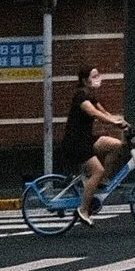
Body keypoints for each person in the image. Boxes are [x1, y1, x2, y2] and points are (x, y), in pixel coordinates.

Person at [58, 61, 110, 213]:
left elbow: (104, 113)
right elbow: (95, 113)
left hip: (86, 140)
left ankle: (102, 182)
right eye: (93, 76)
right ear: (84, 80)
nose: (97, 78)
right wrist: (113, 121)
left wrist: (121, 122)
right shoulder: (81, 98)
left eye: (97, 75)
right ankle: (84, 210)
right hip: (76, 144)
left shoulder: (91, 97)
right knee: (97, 171)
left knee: (115, 145)